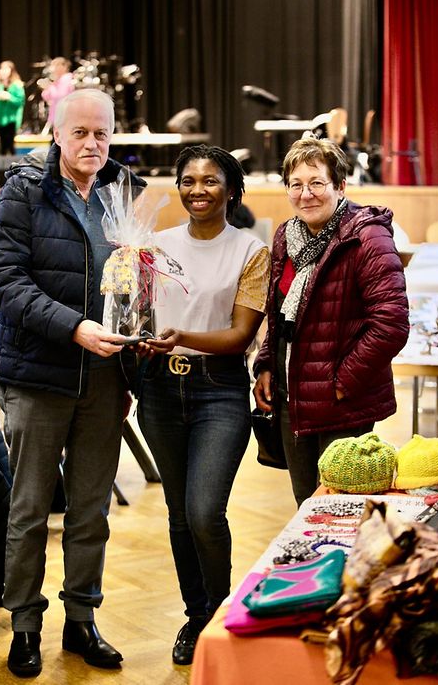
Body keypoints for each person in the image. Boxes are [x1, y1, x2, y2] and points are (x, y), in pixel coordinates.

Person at [0, 88, 147, 677]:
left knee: (91, 510)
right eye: (80, 132)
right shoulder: (22, 191)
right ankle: (24, 626)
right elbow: (5, 282)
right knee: (29, 510)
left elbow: (132, 282)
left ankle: (81, 619)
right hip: (37, 376)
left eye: (102, 133)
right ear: (56, 133)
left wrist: (138, 327)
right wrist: (73, 327)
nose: (92, 144)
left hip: (103, 378)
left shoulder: (121, 194)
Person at [135, 144, 270, 665]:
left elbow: (239, 337)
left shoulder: (250, 251)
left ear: (231, 190)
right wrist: (137, 339)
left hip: (219, 389)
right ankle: (197, 618)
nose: (198, 190)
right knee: (178, 514)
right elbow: (137, 316)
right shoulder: (153, 246)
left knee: (204, 511)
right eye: (188, 180)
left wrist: (181, 336)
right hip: (159, 391)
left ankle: (219, 613)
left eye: (210, 181)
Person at [253, 136, 410, 508]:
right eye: (296, 185)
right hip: (293, 398)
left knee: (340, 510)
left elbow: (391, 324)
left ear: (340, 185)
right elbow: (280, 314)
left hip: (343, 404)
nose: (306, 194)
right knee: (306, 508)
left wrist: (342, 383)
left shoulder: (367, 236)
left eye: (317, 183)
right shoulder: (286, 236)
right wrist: (266, 363)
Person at [0, 60, 25, 155]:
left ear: (11, 71)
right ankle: (2, 163)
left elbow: (20, 102)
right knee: (2, 145)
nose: (3, 71)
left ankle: (12, 162)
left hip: (12, 119)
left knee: (10, 144)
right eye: (1, 69)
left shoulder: (16, 85)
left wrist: (9, 97)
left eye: (6, 69)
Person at [39, 56, 76, 132]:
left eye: (55, 65)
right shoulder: (56, 81)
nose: (52, 68)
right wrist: (46, 88)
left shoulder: (67, 78)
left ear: (64, 67)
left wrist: (50, 86)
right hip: (55, 116)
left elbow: (61, 96)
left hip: (65, 116)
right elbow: (46, 97)